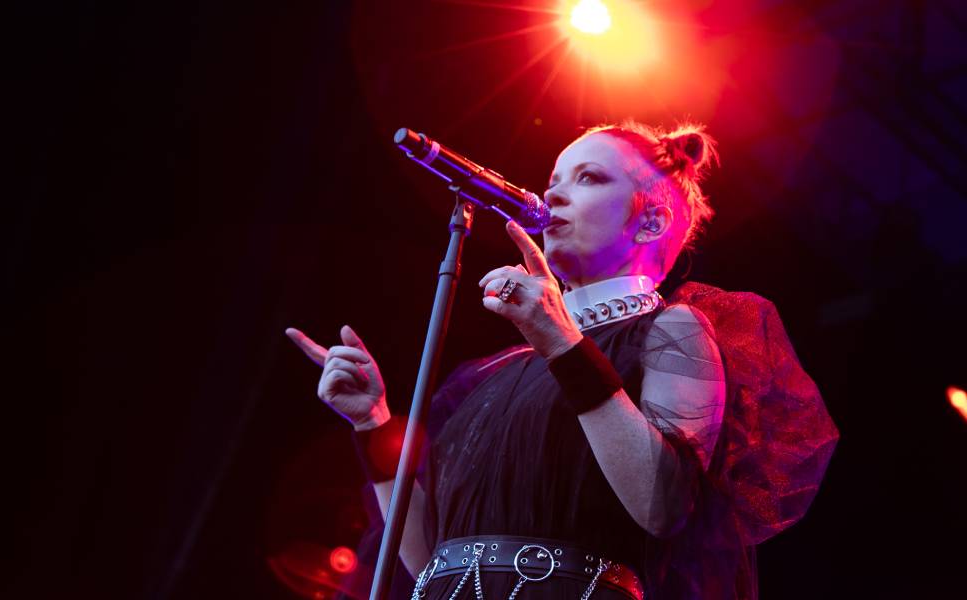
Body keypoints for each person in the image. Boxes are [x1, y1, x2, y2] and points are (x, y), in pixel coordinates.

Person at [287, 121, 837, 600]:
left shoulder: (671, 330)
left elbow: (662, 505)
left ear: (650, 223)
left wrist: (560, 341)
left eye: (588, 179)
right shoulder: (492, 373)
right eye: (552, 183)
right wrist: (372, 421)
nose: (553, 199)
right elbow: (428, 556)